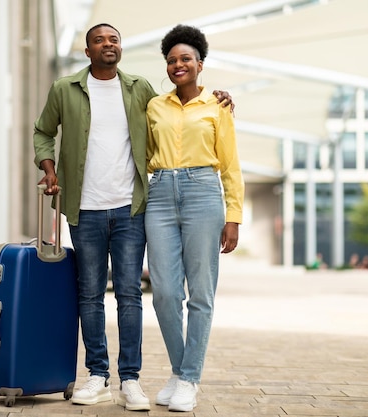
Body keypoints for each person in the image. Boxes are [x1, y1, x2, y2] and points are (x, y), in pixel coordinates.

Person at [32, 23, 232, 411]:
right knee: (89, 295)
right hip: (83, 209)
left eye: (114, 39)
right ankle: (97, 376)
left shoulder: (140, 89)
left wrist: (217, 96)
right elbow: (43, 132)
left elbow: (179, 114)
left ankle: (131, 380)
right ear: (87, 51)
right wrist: (50, 168)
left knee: (129, 295)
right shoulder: (64, 90)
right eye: (98, 40)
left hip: (131, 209)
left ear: (120, 48)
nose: (107, 44)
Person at [144, 24, 244, 412]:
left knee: (200, 293)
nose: (178, 64)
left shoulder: (218, 107)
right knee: (166, 292)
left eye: (185, 58)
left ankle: (188, 379)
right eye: (171, 60)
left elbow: (231, 165)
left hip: (204, 192)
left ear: (200, 64)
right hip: (160, 194)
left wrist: (233, 215)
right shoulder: (155, 106)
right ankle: (179, 369)